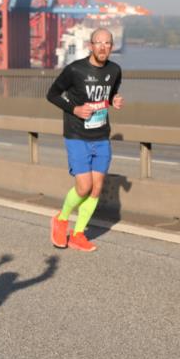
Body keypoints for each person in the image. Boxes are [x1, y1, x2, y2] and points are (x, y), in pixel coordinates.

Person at [47, 28, 123, 253]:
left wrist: (114, 101)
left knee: (96, 189)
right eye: (98, 43)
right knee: (84, 187)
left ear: (112, 46)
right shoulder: (75, 69)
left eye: (107, 43)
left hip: (101, 136)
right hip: (77, 135)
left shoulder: (115, 70)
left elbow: (108, 95)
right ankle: (61, 220)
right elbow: (52, 94)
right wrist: (74, 109)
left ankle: (78, 234)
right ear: (90, 45)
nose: (102, 47)